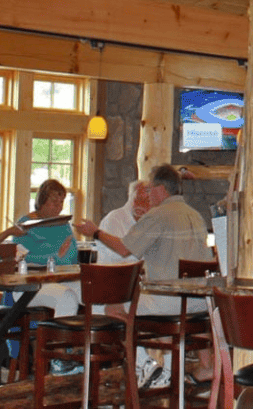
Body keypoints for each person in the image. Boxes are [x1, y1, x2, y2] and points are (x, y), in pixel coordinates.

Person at [78, 164, 213, 387]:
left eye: (150, 190)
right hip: (200, 304)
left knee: (112, 306)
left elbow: (124, 249)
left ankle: (146, 365)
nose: (148, 195)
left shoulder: (158, 215)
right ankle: (180, 370)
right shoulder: (195, 215)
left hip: (172, 302)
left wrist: (96, 232)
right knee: (149, 308)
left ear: (160, 189)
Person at [0, 177, 79, 317]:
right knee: (67, 298)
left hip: (60, 280)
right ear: (42, 201)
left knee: (92, 293)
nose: (59, 206)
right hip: (29, 286)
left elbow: (71, 257)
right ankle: (57, 338)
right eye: (54, 201)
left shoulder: (63, 224)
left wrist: (55, 257)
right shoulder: (25, 224)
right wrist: (56, 256)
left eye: (61, 202)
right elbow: (23, 258)